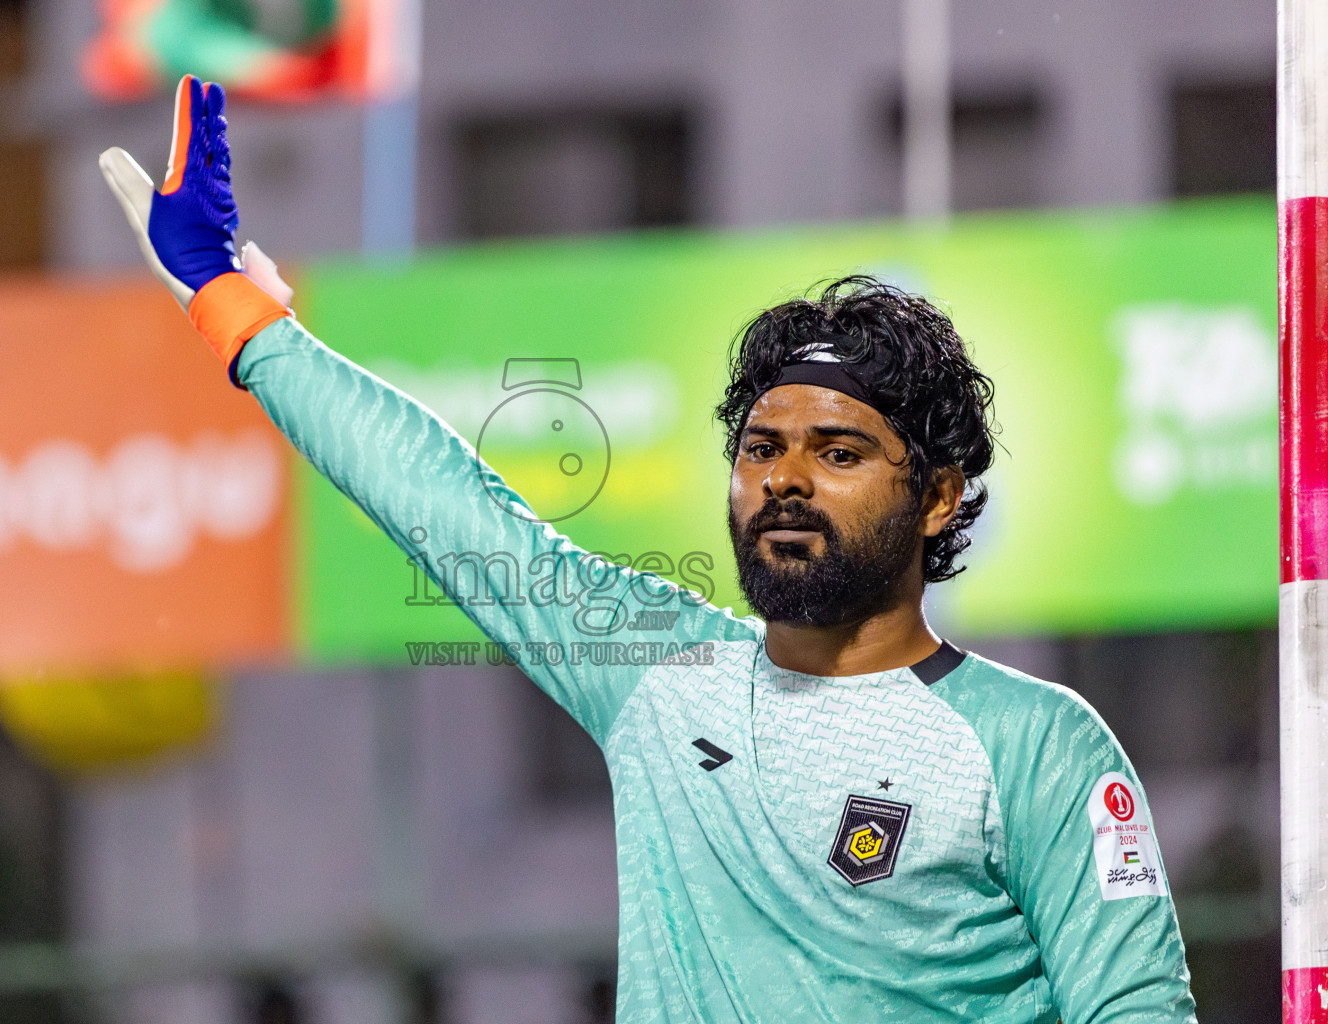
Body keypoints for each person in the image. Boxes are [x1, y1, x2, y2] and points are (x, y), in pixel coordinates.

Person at [101, 75, 1198, 1023]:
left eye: (838, 451)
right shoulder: (658, 674)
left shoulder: (1040, 748)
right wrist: (235, 309)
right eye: (761, 446)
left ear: (939, 498)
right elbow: (445, 504)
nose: (785, 478)